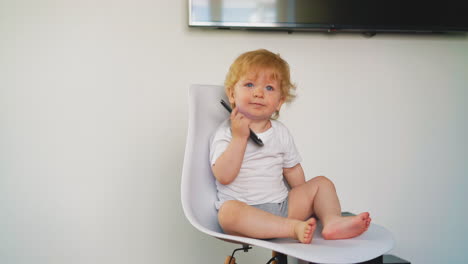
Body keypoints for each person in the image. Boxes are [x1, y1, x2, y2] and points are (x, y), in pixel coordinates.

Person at [209, 49, 371, 244]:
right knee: (227, 213)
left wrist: (309, 200)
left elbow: (292, 170)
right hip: (245, 215)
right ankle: (292, 228)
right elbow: (224, 176)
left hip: (282, 208)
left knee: (322, 183)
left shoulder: (281, 132)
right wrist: (240, 138)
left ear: (279, 102)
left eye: (269, 88)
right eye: (249, 84)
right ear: (231, 94)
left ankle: (332, 221)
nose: (259, 93)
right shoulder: (225, 133)